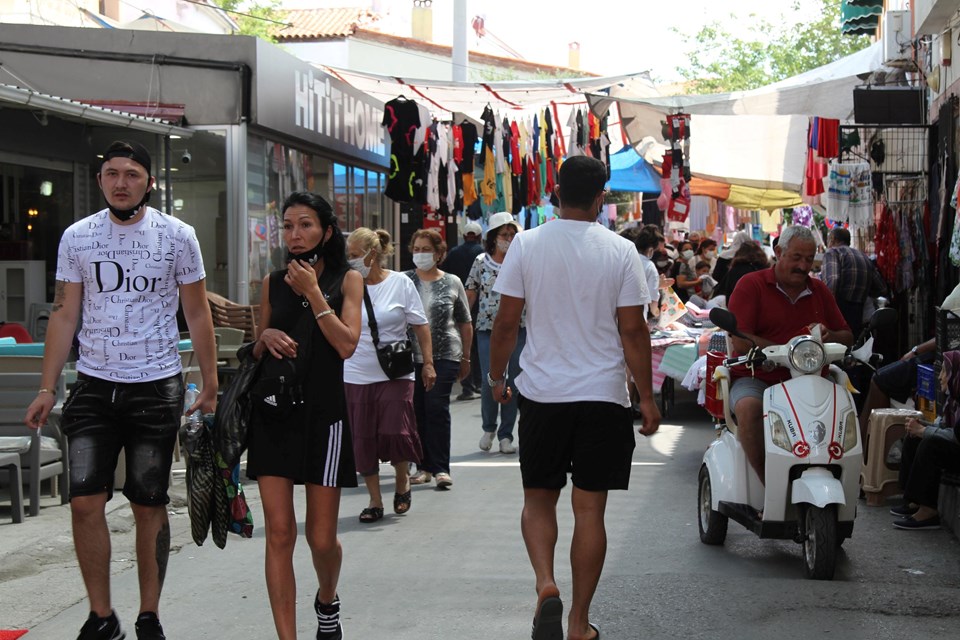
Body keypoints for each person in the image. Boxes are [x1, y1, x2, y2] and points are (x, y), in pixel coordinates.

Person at [24, 140, 218, 640]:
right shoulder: (77, 237)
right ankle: (101, 615)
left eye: (132, 174)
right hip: (92, 383)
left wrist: (212, 382)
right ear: (100, 180)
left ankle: (148, 614)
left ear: (148, 181)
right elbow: (65, 312)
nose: (121, 182)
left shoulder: (178, 235)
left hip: (156, 386)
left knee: (148, 502)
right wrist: (48, 386)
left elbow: (196, 312)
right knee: (85, 501)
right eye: (112, 173)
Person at [489, 155, 661, 640]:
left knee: (539, 498)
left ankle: (545, 583)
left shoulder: (525, 243)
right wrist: (646, 397)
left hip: (543, 393)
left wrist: (497, 376)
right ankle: (579, 622)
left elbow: (506, 322)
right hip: (603, 396)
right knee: (590, 510)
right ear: (602, 198)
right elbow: (633, 329)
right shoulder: (621, 251)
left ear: (555, 193)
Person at [248, 192, 363, 640]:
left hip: (325, 416)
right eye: (289, 225)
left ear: (326, 231)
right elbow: (258, 346)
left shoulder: (346, 280)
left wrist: (315, 293)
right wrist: (266, 336)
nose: (295, 234)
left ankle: (327, 598)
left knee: (320, 539)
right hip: (273, 414)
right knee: (279, 534)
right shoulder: (271, 282)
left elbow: (346, 344)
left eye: (306, 225)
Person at [727, 225, 853, 485]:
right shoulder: (752, 285)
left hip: (810, 379)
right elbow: (739, 340)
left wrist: (830, 334)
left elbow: (847, 336)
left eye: (809, 259)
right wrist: (782, 351)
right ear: (778, 252)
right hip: (758, 377)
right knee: (749, 409)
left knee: (843, 408)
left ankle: (843, 477)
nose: (803, 265)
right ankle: (768, 484)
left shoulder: (819, 290)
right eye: (796, 257)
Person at [343, 228, 434, 523]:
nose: (351, 261)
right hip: (356, 372)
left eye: (355, 255)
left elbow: (420, 325)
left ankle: (401, 481)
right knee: (363, 438)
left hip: (396, 372)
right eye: (349, 255)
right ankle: (374, 499)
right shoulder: (347, 284)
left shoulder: (400, 283)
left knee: (397, 431)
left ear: (373, 254)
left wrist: (429, 363)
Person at [407, 229, 473, 488]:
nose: (421, 254)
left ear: (438, 254)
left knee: (436, 407)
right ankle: (421, 465)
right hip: (411, 355)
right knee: (416, 410)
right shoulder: (404, 281)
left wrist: (467, 359)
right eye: (417, 249)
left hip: (446, 354)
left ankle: (441, 468)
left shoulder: (452, 281)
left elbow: (464, 322)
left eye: (426, 249)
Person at [465, 211, 525, 454]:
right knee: (492, 378)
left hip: (519, 329)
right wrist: (459, 320)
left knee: (514, 381)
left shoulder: (521, 261)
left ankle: (506, 435)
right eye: (504, 234)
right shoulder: (481, 262)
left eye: (512, 234)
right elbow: (470, 292)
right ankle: (489, 426)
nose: (508, 238)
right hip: (486, 330)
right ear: (493, 237)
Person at [890, 351, 960, 525]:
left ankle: (929, 510)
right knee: (915, 437)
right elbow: (944, 426)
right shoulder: (953, 400)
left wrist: (924, 431)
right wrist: (922, 427)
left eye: (945, 372)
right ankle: (914, 500)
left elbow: (957, 437)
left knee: (930, 443)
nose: (941, 377)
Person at [441, 221, 484, 400]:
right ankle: (480, 384)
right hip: (481, 307)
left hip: (458, 305)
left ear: (465, 235)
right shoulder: (483, 254)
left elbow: (444, 274)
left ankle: (467, 386)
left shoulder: (453, 253)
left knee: (464, 346)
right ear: (479, 236)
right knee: (479, 346)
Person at [820, 226, 888, 336]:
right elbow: (882, 288)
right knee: (853, 344)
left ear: (832, 239)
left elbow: (832, 280)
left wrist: (827, 307)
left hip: (839, 308)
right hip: (858, 311)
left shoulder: (833, 253)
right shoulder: (863, 256)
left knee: (839, 346)